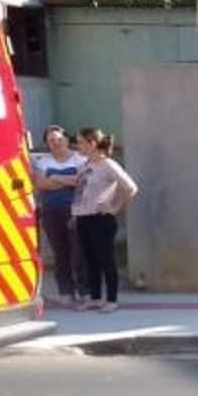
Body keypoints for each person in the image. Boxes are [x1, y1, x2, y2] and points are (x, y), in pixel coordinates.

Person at [70, 129, 138, 313]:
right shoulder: (86, 164)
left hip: (100, 219)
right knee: (90, 260)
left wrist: (115, 207)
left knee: (105, 260)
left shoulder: (108, 164)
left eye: (81, 142)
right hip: (83, 217)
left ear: (92, 143)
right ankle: (95, 297)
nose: (78, 146)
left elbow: (131, 188)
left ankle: (112, 299)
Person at [31, 125, 86, 305]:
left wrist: (54, 178)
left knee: (79, 251)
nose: (55, 143)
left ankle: (84, 291)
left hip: (76, 210)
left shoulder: (80, 159)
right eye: (51, 140)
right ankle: (65, 292)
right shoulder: (42, 161)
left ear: (67, 139)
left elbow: (80, 181)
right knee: (60, 253)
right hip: (51, 211)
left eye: (58, 139)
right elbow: (40, 184)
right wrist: (66, 181)